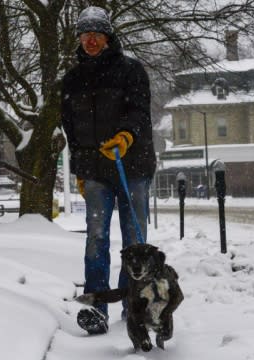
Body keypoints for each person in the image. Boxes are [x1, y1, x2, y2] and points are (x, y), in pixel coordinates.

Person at [60, 6, 156, 335]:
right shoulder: (72, 80)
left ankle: (133, 304)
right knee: (96, 237)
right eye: (85, 34)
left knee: (133, 240)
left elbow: (139, 111)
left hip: (133, 167)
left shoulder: (131, 71)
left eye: (96, 34)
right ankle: (97, 307)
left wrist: (126, 135)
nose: (90, 40)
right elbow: (72, 131)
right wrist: (80, 172)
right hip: (97, 171)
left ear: (107, 37)